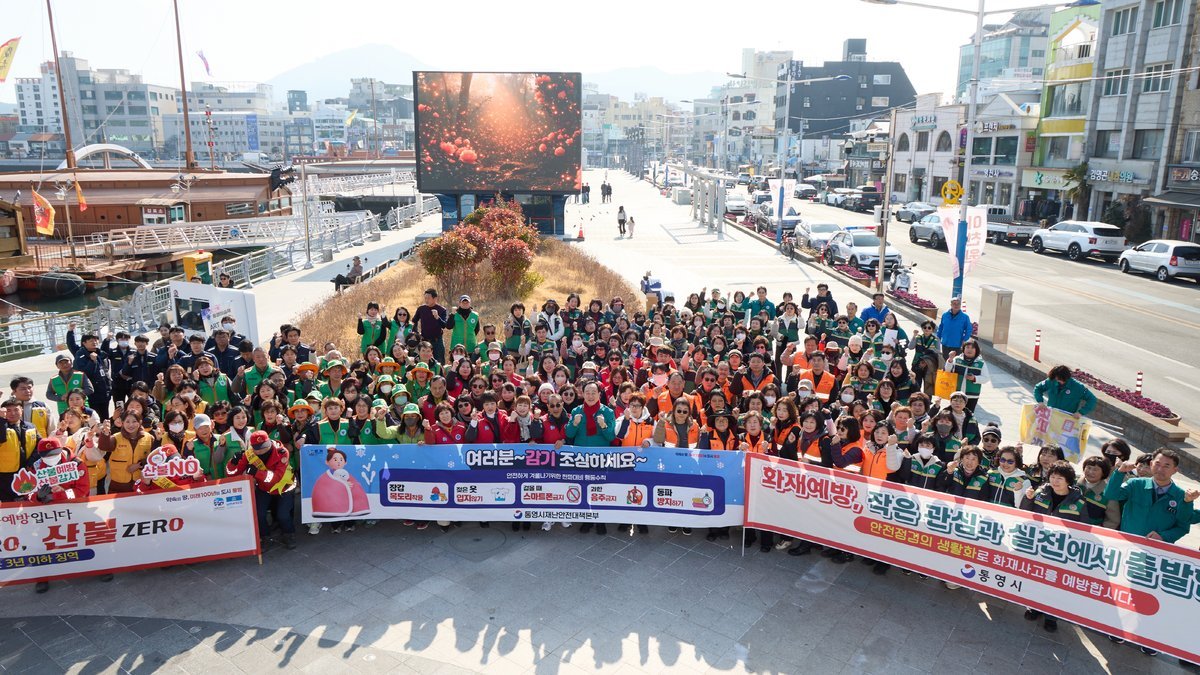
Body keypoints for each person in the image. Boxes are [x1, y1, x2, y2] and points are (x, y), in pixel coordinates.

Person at [1021, 460, 1085, 633]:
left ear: (1068, 481)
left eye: (1060, 478)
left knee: (1054, 583)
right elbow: (1026, 512)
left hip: (1061, 551)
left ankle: (1051, 616)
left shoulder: (1079, 502)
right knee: (1037, 578)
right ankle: (1034, 607)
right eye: (1053, 477)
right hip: (1039, 545)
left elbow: (1085, 531)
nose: (1055, 481)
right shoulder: (1040, 493)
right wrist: (1027, 499)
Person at [226, 430, 297, 550]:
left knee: (283, 515)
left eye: (264, 446)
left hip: (284, 487)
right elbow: (231, 474)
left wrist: (256, 472)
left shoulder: (282, 452)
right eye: (257, 448)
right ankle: (265, 537)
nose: (261, 450)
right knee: (258, 514)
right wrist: (233, 462)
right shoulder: (249, 454)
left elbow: (275, 478)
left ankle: (288, 534)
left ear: (269, 442)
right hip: (264, 489)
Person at [1032, 365, 1097, 418]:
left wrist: (1081, 412)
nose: (1057, 381)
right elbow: (1038, 388)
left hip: (1066, 418)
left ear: (1066, 377)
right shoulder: (1051, 381)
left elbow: (1092, 399)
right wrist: (1040, 401)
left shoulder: (1078, 387)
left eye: (1059, 379)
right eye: (1056, 379)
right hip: (1051, 415)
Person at [413, 288, 450, 364]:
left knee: (439, 362)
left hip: (437, 341)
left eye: (428, 298)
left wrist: (437, 317)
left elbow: (444, 325)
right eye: (425, 298)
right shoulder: (421, 309)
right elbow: (414, 320)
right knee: (422, 362)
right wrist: (416, 333)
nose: (426, 300)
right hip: (424, 341)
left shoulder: (442, 310)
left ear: (435, 298)